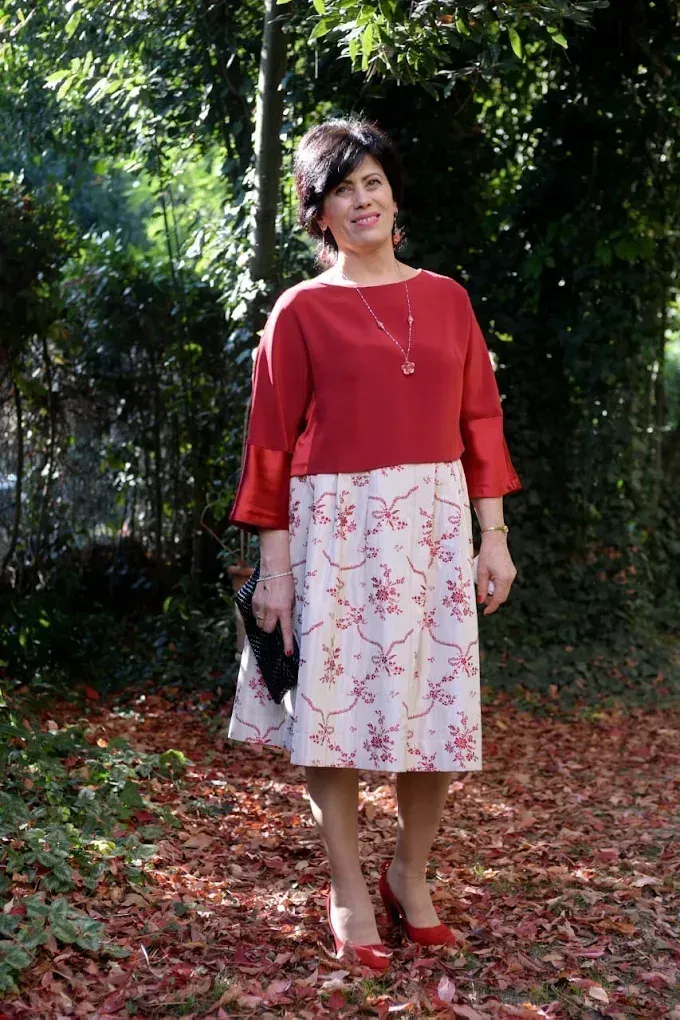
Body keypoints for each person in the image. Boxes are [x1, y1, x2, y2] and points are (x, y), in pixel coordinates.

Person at [226, 115, 521, 970]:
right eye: (342, 190)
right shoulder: (301, 311)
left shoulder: (448, 298)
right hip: (335, 537)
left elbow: (480, 423)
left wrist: (492, 537)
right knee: (334, 721)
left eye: (373, 184)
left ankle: (411, 875)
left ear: (393, 195)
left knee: (436, 717)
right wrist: (273, 570)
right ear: (319, 214)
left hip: (432, 527)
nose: (363, 201)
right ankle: (348, 888)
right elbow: (271, 448)